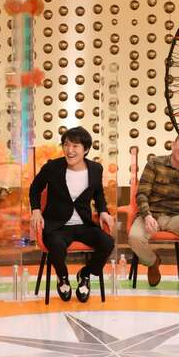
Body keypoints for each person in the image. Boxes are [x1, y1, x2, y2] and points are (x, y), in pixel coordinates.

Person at [29, 126, 115, 303]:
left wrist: (103, 211)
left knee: (107, 242)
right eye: (66, 145)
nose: (69, 150)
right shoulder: (52, 167)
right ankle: (62, 277)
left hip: (83, 224)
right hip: (57, 225)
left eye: (75, 146)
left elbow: (98, 193)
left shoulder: (95, 169)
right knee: (56, 246)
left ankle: (85, 274)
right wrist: (36, 209)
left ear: (86, 149)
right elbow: (35, 188)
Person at [128, 132, 179, 296]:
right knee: (135, 237)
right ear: (173, 144)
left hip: (176, 217)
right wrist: (147, 215)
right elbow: (142, 194)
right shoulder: (155, 163)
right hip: (151, 214)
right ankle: (153, 262)